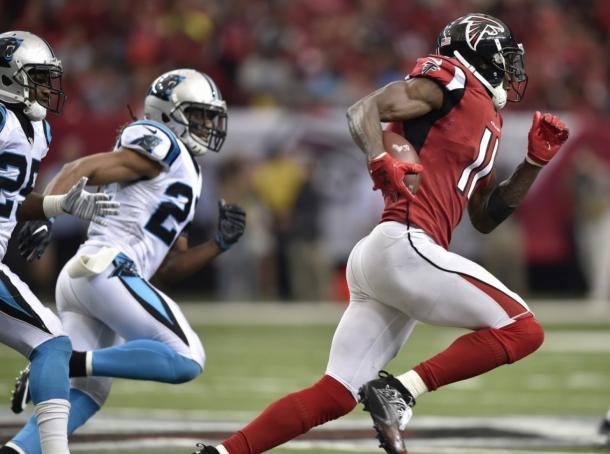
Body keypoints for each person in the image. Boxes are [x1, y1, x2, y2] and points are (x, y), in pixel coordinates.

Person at [192, 13, 569, 454]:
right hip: (405, 243)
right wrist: (377, 156)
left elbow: (484, 216)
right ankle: (402, 392)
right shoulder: (450, 77)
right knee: (523, 329)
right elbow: (363, 109)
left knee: (336, 392)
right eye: (504, 59)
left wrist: (533, 165)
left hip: (392, 256)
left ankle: (223, 453)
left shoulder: (487, 118)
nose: (510, 71)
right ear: (477, 53)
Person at [4, 68, 246, 454]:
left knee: (87, 395)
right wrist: (48, 215)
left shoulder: (187, 170)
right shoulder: (159, 141)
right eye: (198, 114)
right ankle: (64, 360)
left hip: (94, 276)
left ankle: (18, 450)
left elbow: (165, 268)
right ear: (169, 113)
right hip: (107, 268)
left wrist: (217, 244)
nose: (206, 125)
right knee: (187, 357)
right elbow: (78, 168)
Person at [0, 31, 119, 454]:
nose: (47, 88)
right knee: (52, 343)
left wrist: (54, 207)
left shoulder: (37, 132)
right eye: (37, 77)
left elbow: (12, 196)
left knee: (50, 343)